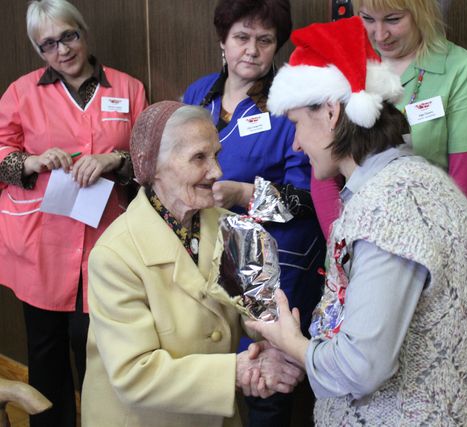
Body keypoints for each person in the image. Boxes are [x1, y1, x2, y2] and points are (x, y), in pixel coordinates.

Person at [247, 16, 467, 426]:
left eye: (295, 124)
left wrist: (292, 343)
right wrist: (299, 350)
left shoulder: (389, 208)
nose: (295, 143)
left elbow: (360, 368)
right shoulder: (411, 184)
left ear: (329, 112)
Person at [81, 101, 305, 427]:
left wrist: (279, 349)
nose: (217, 171)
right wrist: (238, 371)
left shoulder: (238, 230)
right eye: (199, 158)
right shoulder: (114, 255)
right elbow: (133, 373)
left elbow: (261, 312)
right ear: (153, 166)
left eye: (216, 154)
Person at [0, 1, 146, 425]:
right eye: (48, 44)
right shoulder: (20, 92)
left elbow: (148, 158)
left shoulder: (128, 89)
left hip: (107, 237)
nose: (61, 50)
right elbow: (2, 152)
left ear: (83, 32)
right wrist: (31, 162)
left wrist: (114, 160)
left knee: (96, 347)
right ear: (38, 50)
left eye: (69, 36)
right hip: (41, 239)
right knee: (45, 350)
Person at [182, 0, 324, 424]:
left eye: (265, 40)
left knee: (263, 382)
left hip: (268, 259)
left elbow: (306, 199)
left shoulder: (290, 103)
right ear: (223, 42)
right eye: (241, 38)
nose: (252, 49)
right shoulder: (198, 93)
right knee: (212, 366)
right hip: (204, 249)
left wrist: (244, 193)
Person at [310, 0, 467, 238]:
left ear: (422, 12)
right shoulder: (345, 65)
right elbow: (323, 174)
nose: (380, 34)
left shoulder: (461, 69)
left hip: (430, 243)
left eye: (393, 19)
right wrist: (343, 249)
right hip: (354, 241)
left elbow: (466, 189)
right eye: (367, 19)